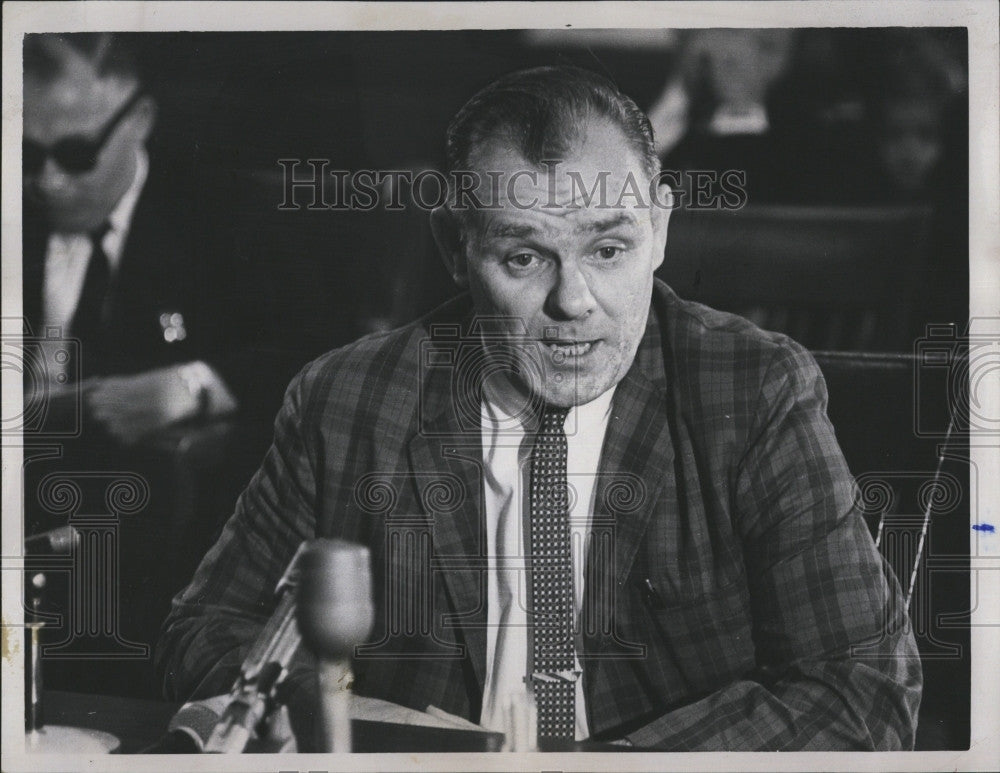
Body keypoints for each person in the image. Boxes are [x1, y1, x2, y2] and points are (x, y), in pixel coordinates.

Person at [157, 65, 921, 750]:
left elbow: (862, 689)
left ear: (659, 230)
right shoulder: (345, 400)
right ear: (455, 247)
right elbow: (206, 634)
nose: (574, 302)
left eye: (608, 250)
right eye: (524, 258)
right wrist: (370, 732)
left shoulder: (753, 393)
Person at [22, 33, 265, 445]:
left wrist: (193, 385)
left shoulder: (222, 216)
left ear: (140, 122)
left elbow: (306, 345)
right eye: (26, 154)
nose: (49, 183)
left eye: (76, 154)